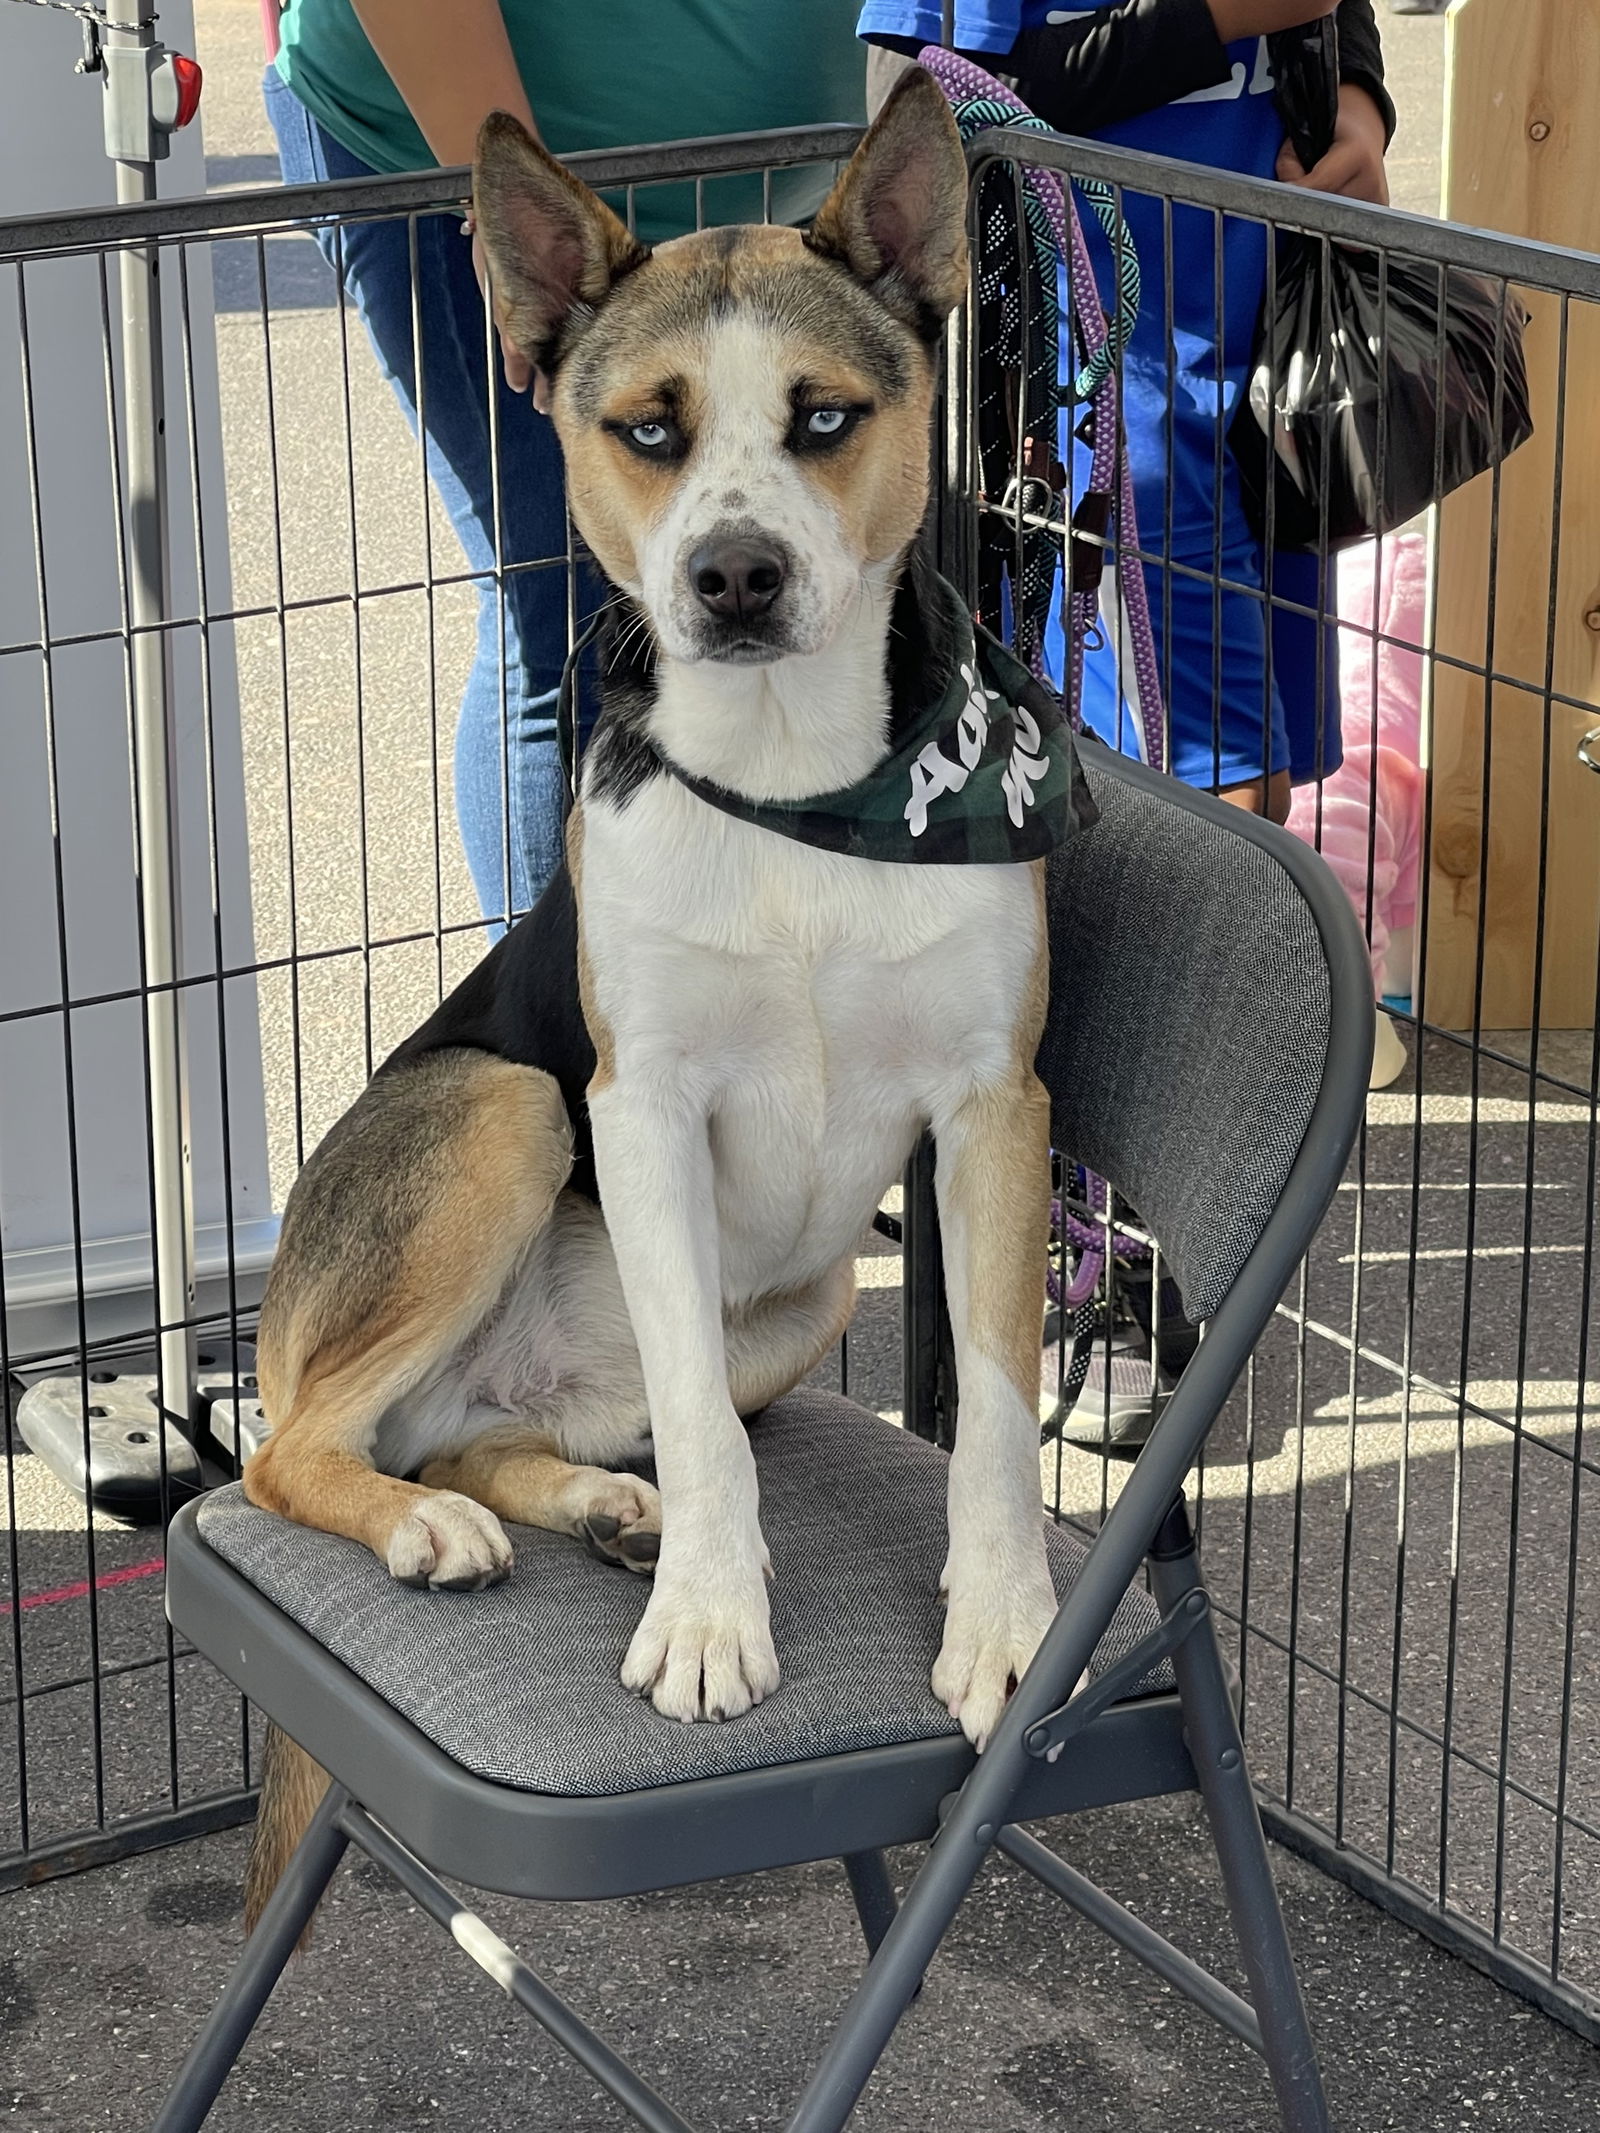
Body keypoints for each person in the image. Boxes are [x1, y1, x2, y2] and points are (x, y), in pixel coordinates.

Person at [266, 1, 866, 926]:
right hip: (462, 170)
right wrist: (502, 205)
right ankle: (568, 1005)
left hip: (757, 198)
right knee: (561, 620)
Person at [860, 1, 1394, 821]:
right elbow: (938, 97)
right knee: (1223, 793)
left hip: (1272, 354)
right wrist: (1222, 18)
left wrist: (1356, 101)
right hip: (1116, 408)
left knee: (1256, 771)